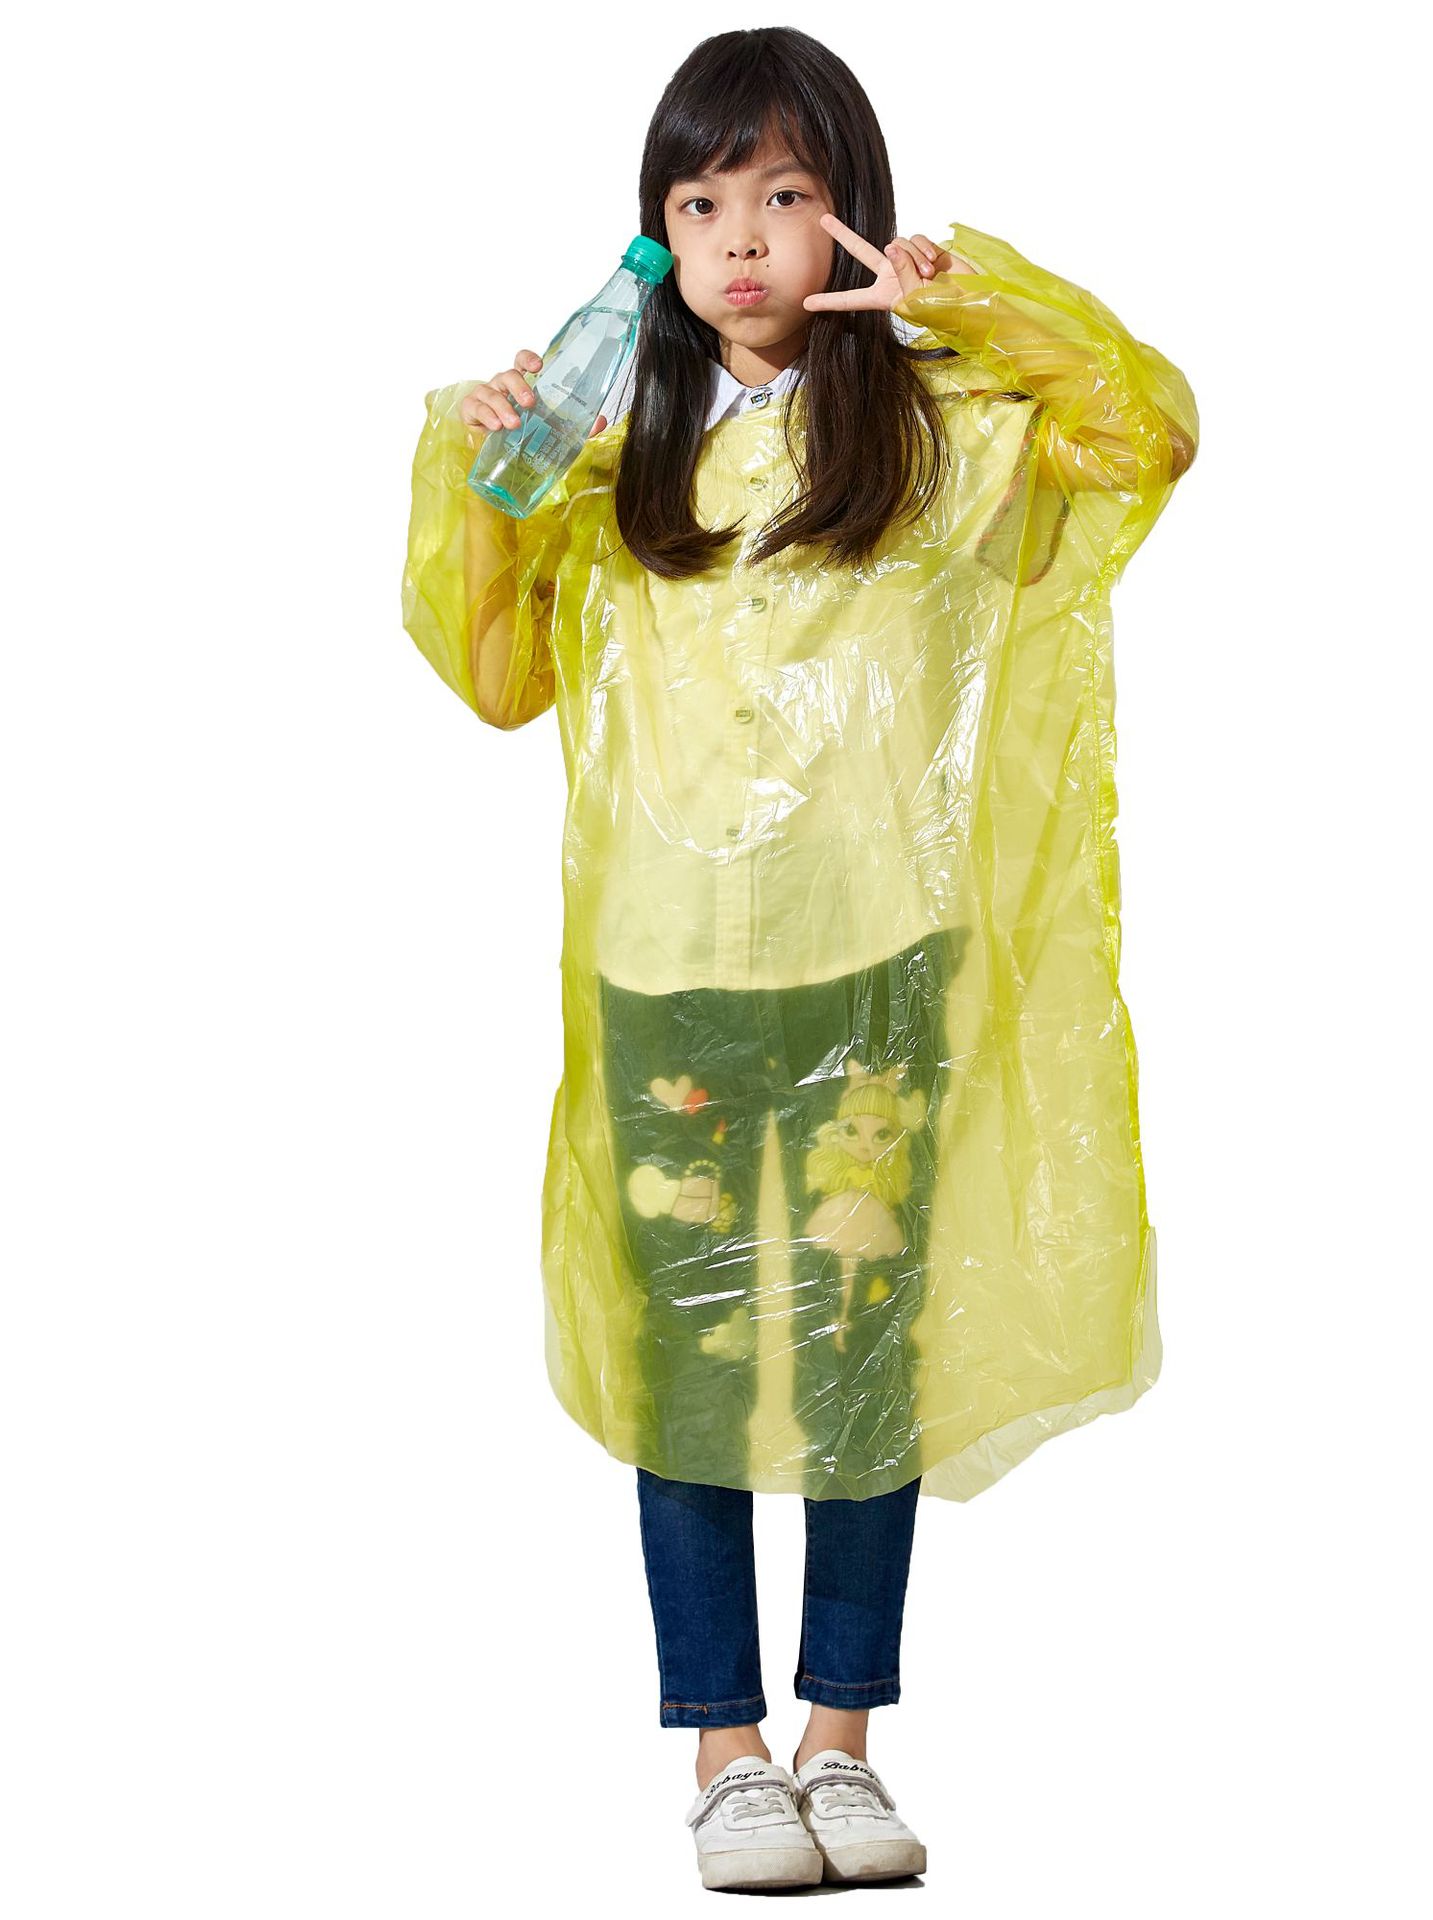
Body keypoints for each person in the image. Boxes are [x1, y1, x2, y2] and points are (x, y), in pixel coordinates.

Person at [401, 26, 1198, 1893]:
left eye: (783, 193)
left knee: (855, 1349)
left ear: (852, 211)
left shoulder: (939, 435)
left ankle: (843, 1739)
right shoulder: (610, 446)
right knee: (688, 1365)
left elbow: (1143, 432)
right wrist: (477, 471)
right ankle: (725, 1750)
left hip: (870, 961)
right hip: (667, 969)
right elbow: (496, 676)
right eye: (699, 203)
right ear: (654, 236)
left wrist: (971, 304)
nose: (743, 238)